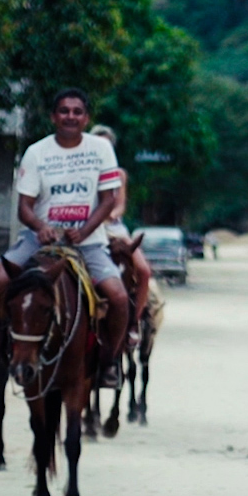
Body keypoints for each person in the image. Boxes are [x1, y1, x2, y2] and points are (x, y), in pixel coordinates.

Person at [0, 89, 130, 388]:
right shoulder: (37, 152)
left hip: (90, 242)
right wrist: (40, 227)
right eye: (63, 111)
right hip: (39, 240)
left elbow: (109, 199)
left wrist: (84, 231)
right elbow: (24, 208)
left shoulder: (100, 149)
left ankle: (110, 362)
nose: (70, 116)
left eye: (76, 111)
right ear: (53, 116)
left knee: (120, 297)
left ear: (86, 118)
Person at [87, 124, 153, 348]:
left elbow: (120, 206)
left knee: (143, 270)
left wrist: (107, 216)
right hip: (86, 227)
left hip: (113, 228)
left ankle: (134, 322)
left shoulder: (119, 174)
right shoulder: (82, 172)